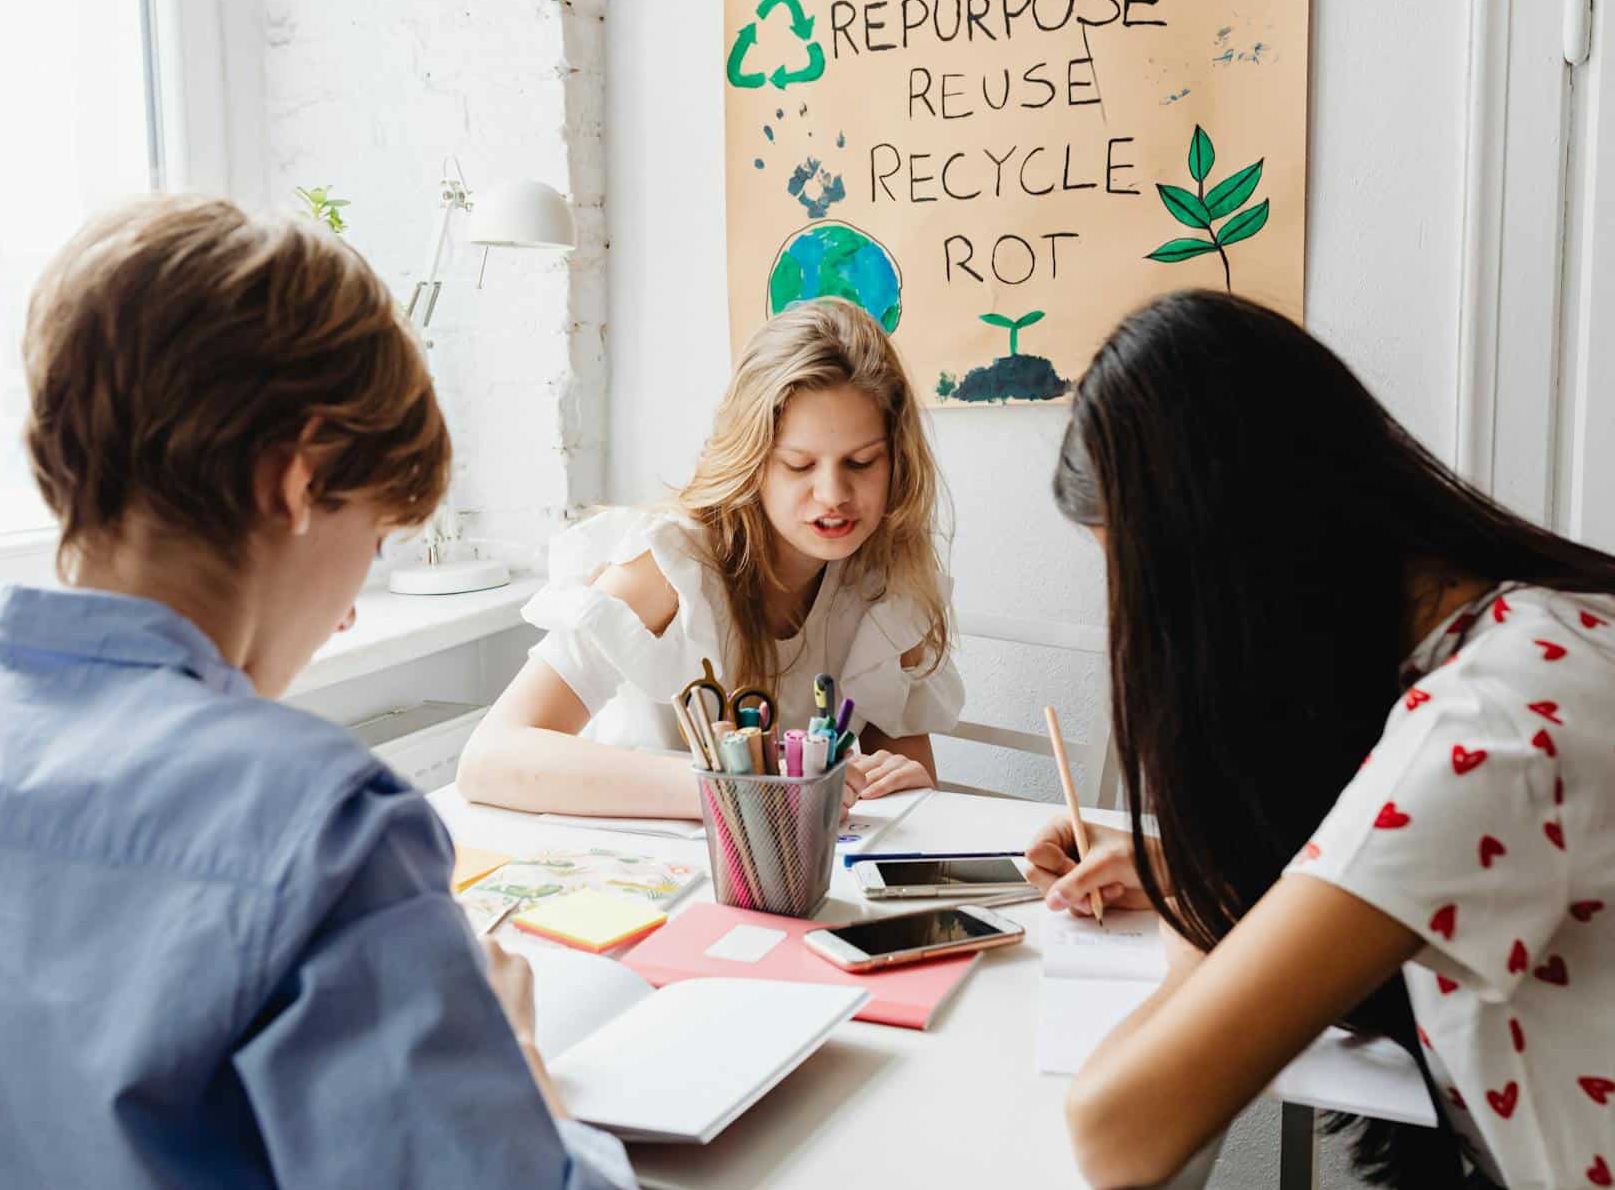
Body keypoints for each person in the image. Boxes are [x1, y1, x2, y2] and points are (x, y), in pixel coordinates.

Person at [0, 195, 635, 1189]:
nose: (346, 611)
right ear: (296, 482)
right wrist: (512, 1060)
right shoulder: (325, 831)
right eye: (372, 542)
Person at [1024, 290, 1615, 1190]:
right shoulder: (1538, 632)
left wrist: (1202, 902)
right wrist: (1184, 867)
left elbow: (1117, 1127)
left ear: (1222, 573)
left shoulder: (1478, 738)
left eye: (1141, 594)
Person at [457, 298, 963, 819]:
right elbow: (489, 758)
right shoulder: (671, 566)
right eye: (798, 464)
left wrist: (905, 785)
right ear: (753, 461)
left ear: (896, 461)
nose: (833, 493)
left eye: (861, 462)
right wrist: (738, 787)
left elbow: (904, 793)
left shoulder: (887, 580)